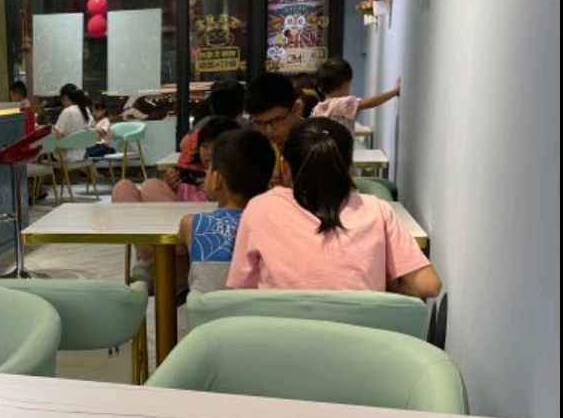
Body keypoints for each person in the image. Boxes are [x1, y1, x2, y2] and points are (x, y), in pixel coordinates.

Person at [228, 118, 441, 298]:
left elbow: (240, 291)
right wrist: (380, 281)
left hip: (279, 334)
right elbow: (429, 285)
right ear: (349, 169)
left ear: (284, 166)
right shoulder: (377, 210)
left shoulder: (260, 208)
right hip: (364, 335)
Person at [114, 117, 241, 283]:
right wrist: (171, 186)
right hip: (173, 238)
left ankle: (155, 264)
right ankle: (152, 257)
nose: (209, 152)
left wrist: (213, 193)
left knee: (151, 186)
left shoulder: (235, 179)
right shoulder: (188, 174)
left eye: (215, 146)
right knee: (124, 187)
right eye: (204, 146)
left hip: (191, 248)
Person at [177, 128, 275, 293]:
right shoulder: (274, 225)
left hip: (207, 310)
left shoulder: (191, 223)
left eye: (209, 169)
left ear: (217, 179)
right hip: (258, 309)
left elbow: (178, 257)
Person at [311, 58, 400, 134]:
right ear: (346, 84)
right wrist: (394, 91)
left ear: (320, 88)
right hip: (342, 147)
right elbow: (371, 102)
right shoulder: (344, 103)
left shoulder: (318, 109)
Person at [244, 73, 303, 186]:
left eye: (276, 120)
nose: (268, 130)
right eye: (259, 123)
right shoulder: (254, 148)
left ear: (296, 109)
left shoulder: (315, 145)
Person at [52, 83, 91, 161]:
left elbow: (57, 136)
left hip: (64, 156)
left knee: (41, 153)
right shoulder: (86, 110)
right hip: (81, 155)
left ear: (65, 97)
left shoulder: (67, 111)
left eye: (61, 98)